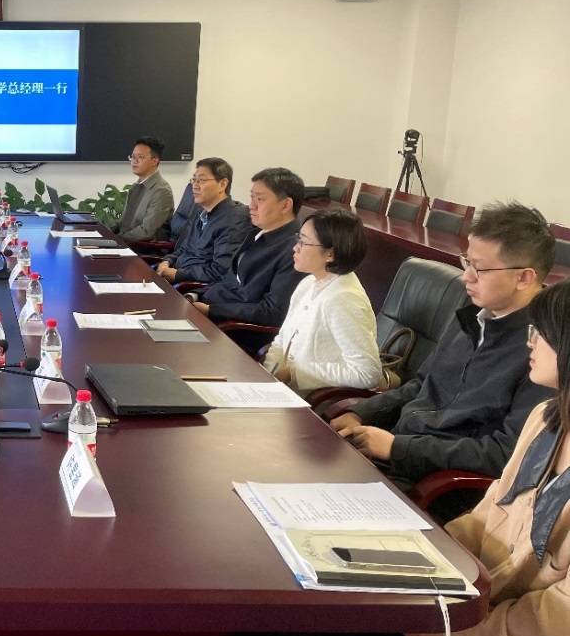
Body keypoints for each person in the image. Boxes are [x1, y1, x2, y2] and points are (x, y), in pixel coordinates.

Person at [319, 279, 570, 636]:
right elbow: (492, 510)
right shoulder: (546, 418)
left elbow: (559, 625)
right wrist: (423, 563)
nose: (530, 341)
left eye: (541, 333)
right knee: (349, 620)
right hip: (487, 601)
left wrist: (464, 629)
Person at [330, 201, 556, 498]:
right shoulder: (472, 317)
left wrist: (399, 448)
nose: (466, 277)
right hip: (395, 456)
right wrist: (361, 413)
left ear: (524, 277)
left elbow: (505, 454)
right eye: (467, 262)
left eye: (479, 269)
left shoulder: (545, 354)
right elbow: (422, 384)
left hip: (438, 487)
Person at [262, 208, 382, 395]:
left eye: (304, 242)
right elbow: (281, 341)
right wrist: (266, 377)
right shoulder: (309, 283)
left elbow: (367, 373)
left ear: (330, 254)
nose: (295, 247)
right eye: (298, 239)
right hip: (282, 394)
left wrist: (295, 373)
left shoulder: (343, 299)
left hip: (314, 402)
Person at [190, 168, 306, 341]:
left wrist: (212, 310)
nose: (251, 205)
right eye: (252, 197)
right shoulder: (256, 233)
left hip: (236, 332)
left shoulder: (295, 250)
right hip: (214, 314)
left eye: (260, 199)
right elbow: (229, 280)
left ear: (286, 205)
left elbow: (272, 312)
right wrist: (195, 295)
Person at [155, 157, 251, 284]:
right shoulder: (202, 212)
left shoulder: (234, 219)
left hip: (191, 287)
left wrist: (178, 274)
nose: (195, 186)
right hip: (177, 277)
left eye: (201, 180)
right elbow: (184, 248)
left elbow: (220, 271)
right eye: (194, 180)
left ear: (222, 184)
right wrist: (167, 261)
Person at [112, 136, 174, 242]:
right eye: (133, 156)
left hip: (144, 248)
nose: (134, 161)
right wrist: (104, 233)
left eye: (140, 157)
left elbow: (145, 232)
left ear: (154, 161)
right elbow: (123, 223)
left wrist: (117, 240)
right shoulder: (135, 187)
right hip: (127, 242)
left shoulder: (162, 191)